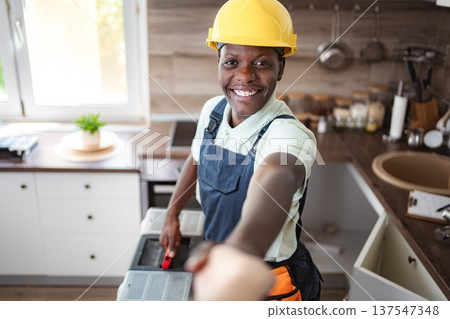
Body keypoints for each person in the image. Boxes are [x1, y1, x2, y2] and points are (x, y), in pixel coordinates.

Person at [160, 0, 321, 301]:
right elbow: (197, 159)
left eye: (261, 63)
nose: (244, 76)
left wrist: (241, 252)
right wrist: (172, 214)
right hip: (220, 266)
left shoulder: (288, 135)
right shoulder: (213, 111)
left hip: (269, 283)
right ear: (219, 64)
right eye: (232, 62)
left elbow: (278, 176)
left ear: (281, 67)